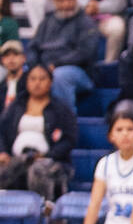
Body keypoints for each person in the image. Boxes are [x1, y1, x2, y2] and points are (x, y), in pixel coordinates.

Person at [0, 63, 77, 200]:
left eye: (42, 79)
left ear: (51, 82)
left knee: (37, 170)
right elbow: (2, 131)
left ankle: (44, 213)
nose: (37, 83)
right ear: (27, 81)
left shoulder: (60, 108)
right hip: (16, 158)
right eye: (33, 79)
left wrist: (47, 155)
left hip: (50, 160)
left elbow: (69, 139)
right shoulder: (17, 105)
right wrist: (3, 152)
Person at [28, 0, 98, 111]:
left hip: (77, 71)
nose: (66, 4)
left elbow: (85, 52)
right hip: (45, 67)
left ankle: (65, 123)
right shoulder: (47, 21)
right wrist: (35, 67)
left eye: (69, 0)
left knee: (61, 76)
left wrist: (57, 64)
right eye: (61, 0)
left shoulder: (85, 22)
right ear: (55, 1)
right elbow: (33, 47)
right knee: (23, 71)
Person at [0, 40, 26, 107]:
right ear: (2, 60)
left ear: (24, 58)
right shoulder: (2, 85)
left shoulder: (29, 84)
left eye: (15, 54)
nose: (11, 59)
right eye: (7, 55)